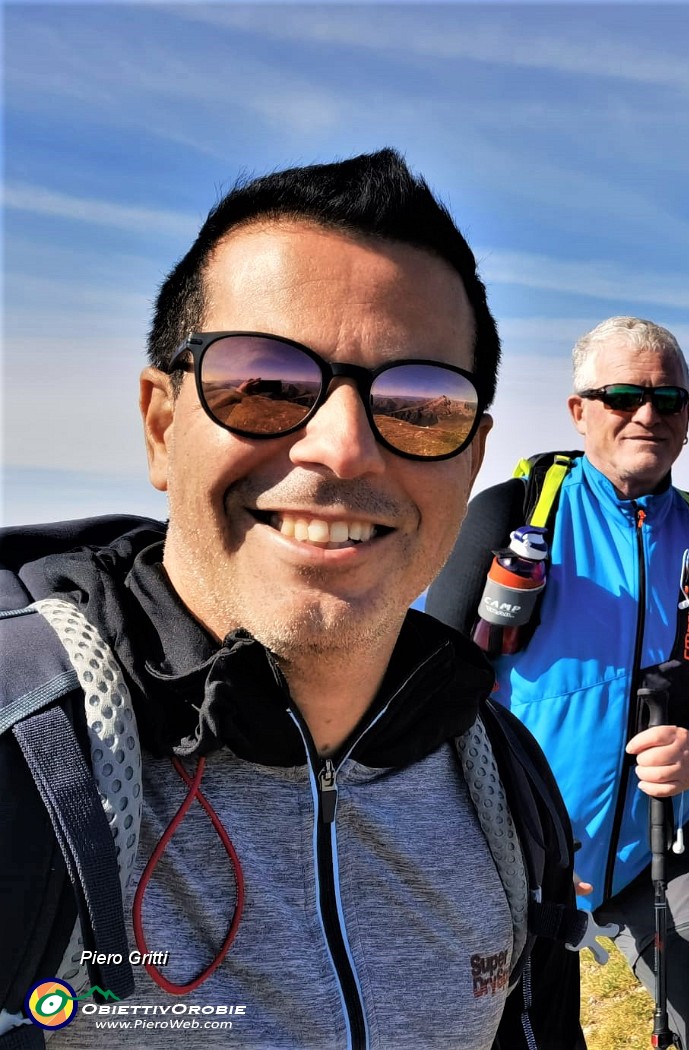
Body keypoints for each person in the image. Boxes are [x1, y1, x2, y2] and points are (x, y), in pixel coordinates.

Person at [0, 149, 585, 1049]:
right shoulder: (26, 757)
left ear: (470, 461)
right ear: (162, 426)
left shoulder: (503, 782)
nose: (344, 449)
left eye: (421, 403)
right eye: (264, 384)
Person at [427, 316, 689, 1049]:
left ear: (688, 419)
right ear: (578, 410)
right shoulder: (516, 512)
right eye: (621, 396)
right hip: (511, 856)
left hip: (652, 848)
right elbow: (429, 679)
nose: (646, 414)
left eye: (668, 400)